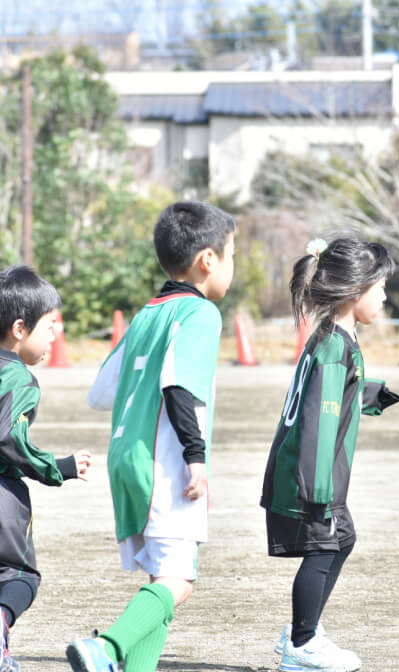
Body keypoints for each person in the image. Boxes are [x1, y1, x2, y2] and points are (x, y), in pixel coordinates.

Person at [66, 201, 236, 672]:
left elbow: (100, 393)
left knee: (160, 579)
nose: (232, 268)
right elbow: (181, 387)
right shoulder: (199, 315)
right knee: (179, 580)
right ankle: (108, 647)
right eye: (232, 256)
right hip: (165, 464)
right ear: (207, 260)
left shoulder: (145, 315)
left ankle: (130, 664)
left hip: (125, 462)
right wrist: (196, 458)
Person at [261, 237, 399, 672]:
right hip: (310, 474)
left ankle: (306, 631)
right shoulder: (335, 347)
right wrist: (317, 489)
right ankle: (301, 644)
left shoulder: (335, 338)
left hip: (310, 471)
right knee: (325, 545)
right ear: (355, 290)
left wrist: (368, 392)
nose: (384, 296)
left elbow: (327, 396)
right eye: (379, 287)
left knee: (342, 539)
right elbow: (319, 420)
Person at [0, 266, 92, 672]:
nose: (56, 335)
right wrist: (58, 466)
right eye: (50, 325)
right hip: (3, 497)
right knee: (19, 576)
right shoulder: (19, 378)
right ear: (20, 328)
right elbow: (8, 439)